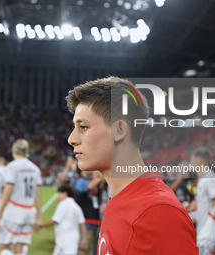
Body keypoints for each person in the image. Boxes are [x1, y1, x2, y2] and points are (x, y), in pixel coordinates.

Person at [66, 76, 198, 254]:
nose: (71, 139)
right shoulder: (121, 198)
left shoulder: (158, 211)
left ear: (119, 130)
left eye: (83, 127)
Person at [0, 139, 42, 255]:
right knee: (19, 249)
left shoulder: (12, 166)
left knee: (2, 248)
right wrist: (38, 217)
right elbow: (38, 195)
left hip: (14, 211)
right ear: (27, 151)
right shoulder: (35, 169)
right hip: (29, 212)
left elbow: (7, 192)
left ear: (13, 150)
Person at [190, 147, 215, 255]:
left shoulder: (210, 179)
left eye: (192, 160)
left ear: (199, 161)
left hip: (209, 235)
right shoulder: (204, 180)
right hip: (203, 234)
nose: (191, 164)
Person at [38, 185, 88, 255]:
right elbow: (82, 224)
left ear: (65, 193)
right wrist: (84, 240)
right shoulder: (77, 207)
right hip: (73, 241)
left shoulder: (63, 204)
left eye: (59, 194)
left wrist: (40, 225)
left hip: (64, 241)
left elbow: (54, 220)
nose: (57, 197)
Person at [74, 168, 104, 255]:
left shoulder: (91, 180)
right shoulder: (80, 181)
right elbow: (89, 187)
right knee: (83, 248)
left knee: (89, 248)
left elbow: (101, 185)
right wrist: (98, 177)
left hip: (93, 220)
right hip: (85, 221)